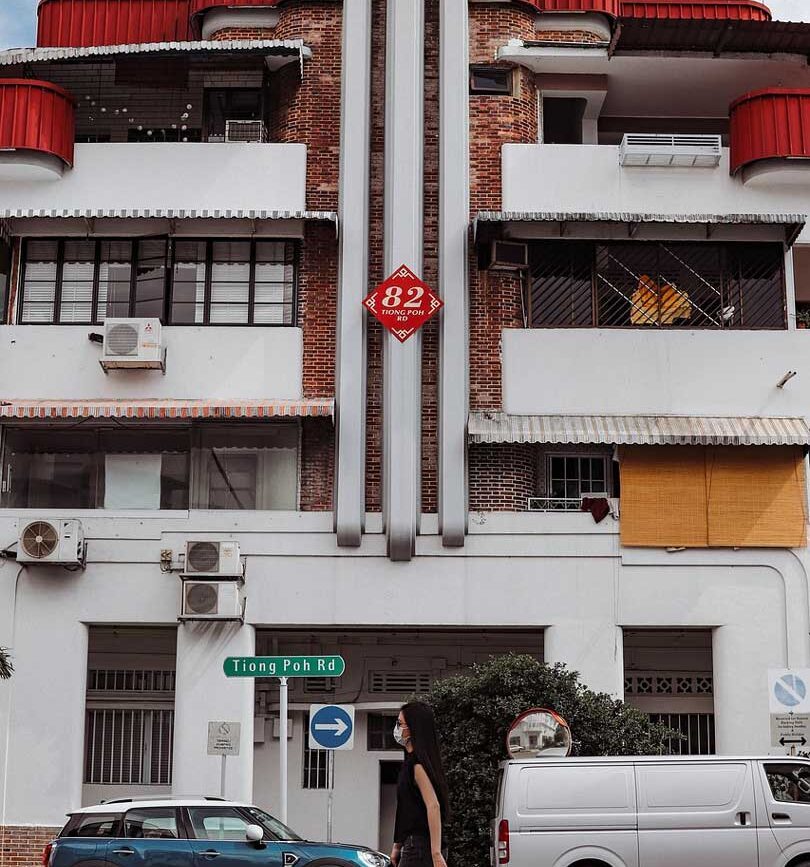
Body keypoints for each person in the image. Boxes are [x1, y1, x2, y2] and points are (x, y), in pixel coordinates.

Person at [390, 702, 450, 867]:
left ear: (413, 729)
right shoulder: (410, 762)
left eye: (400, 724)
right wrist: (397, 845)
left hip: (420, 848)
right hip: (414, 845)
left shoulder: (417, 765)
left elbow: (433, 806)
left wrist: (436, 854)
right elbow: (406, 809)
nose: (396, 728)